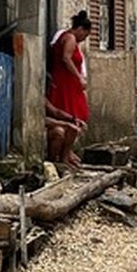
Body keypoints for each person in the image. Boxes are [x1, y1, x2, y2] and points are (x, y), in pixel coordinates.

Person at [47, 11, 91, 166]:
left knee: (74, 117)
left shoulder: (62, 36)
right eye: (84, 35)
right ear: (80, 29)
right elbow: (66, 58)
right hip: (66, 82)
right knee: (75, 114)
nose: (83, 39)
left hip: (64, 81)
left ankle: (67, 153)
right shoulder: (70, 38)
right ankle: (64, 155)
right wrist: (79, 77)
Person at [45, 98, 85, 167]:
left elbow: (55, 112)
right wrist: (66, 124)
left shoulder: (43, 99)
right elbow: (43, 120)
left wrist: (73, 119)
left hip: (52, 124)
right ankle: (52, 161)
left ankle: (64, 159)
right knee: (58, 132)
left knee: (73, 129)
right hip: (43, 129)